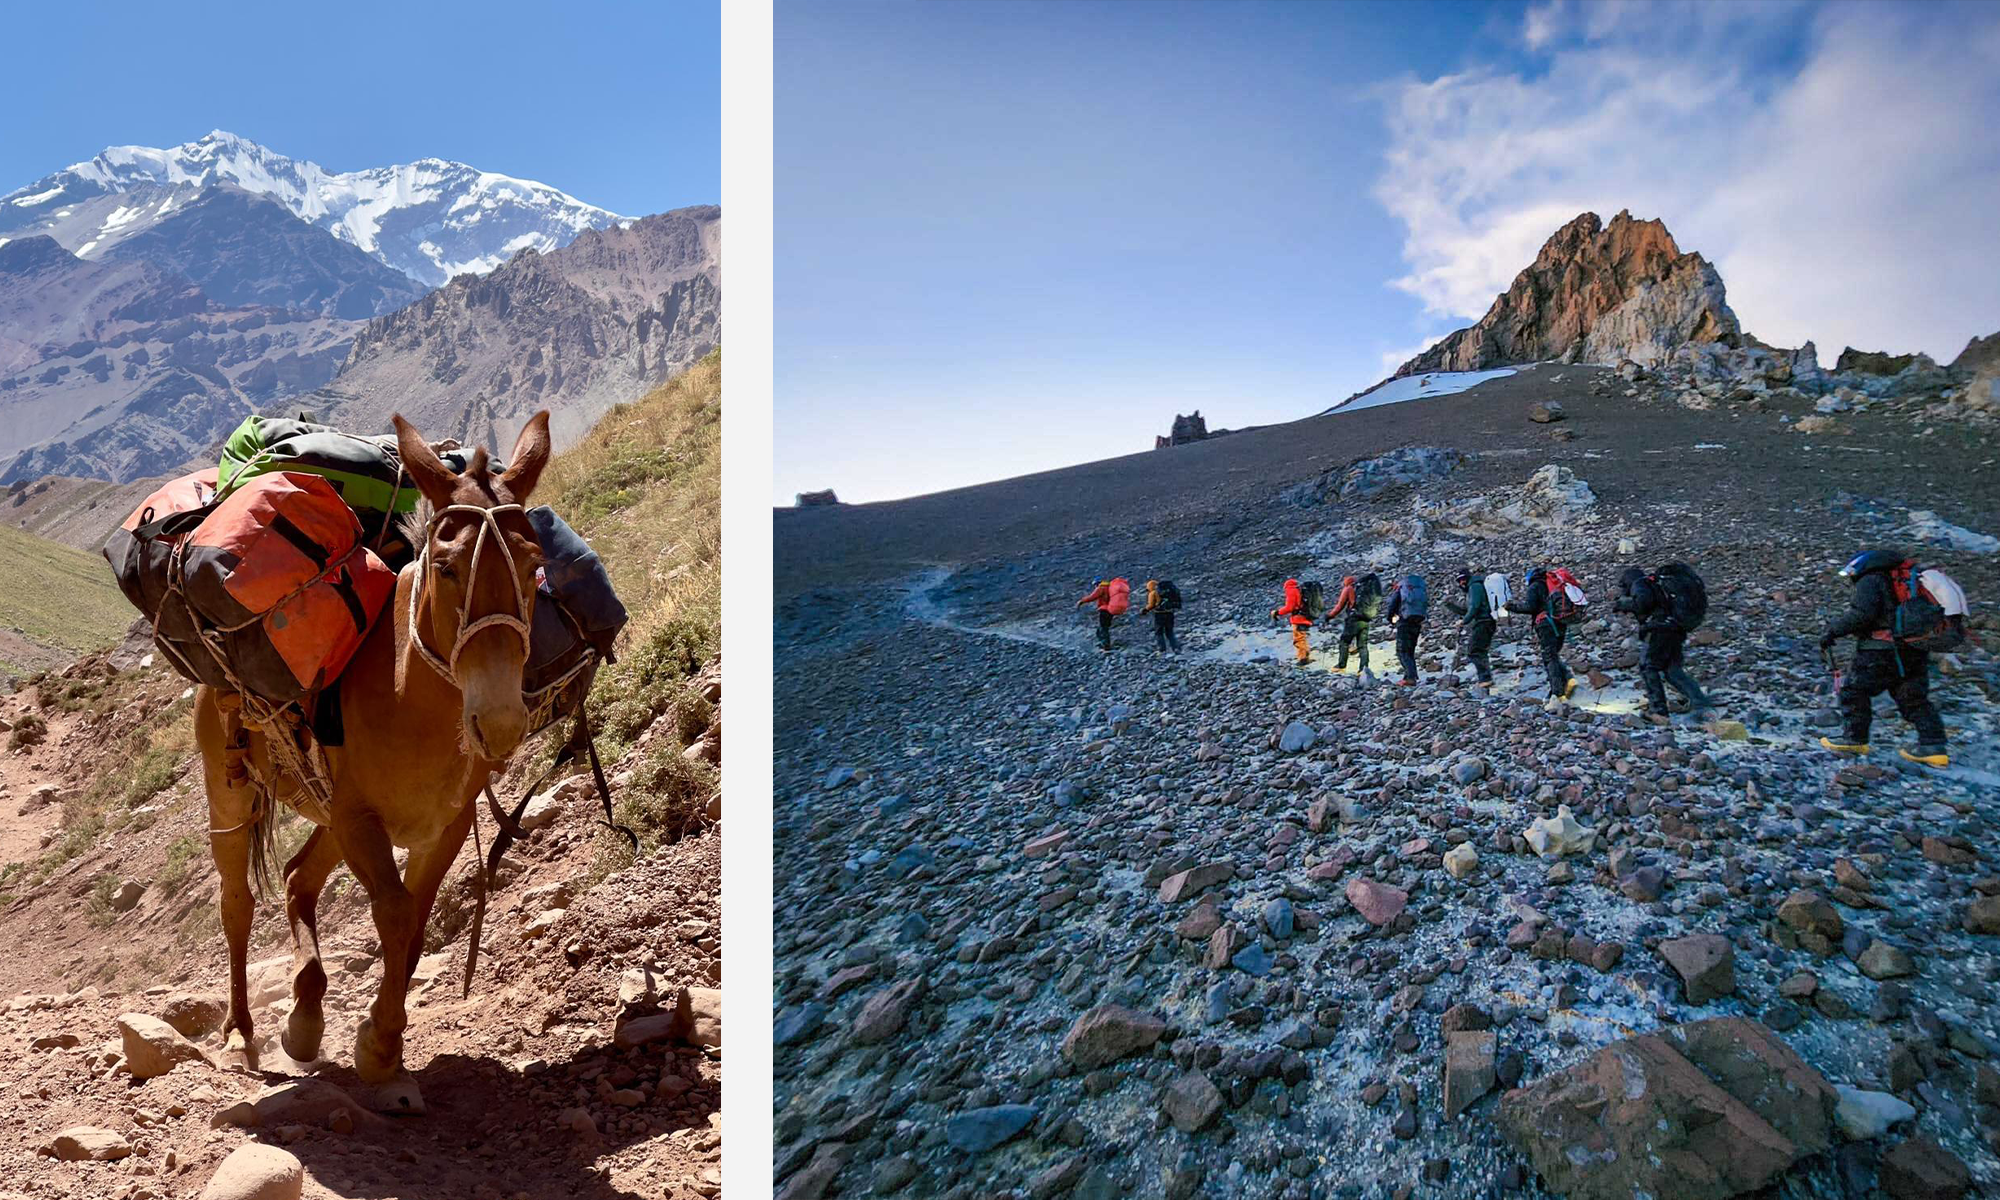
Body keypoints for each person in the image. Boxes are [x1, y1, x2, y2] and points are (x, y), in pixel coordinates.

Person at [1818, 549, 1949, 767]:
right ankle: (1933, 747)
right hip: (1914, 648)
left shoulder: (1871, 580)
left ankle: (1854, 740)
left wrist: (1832, 632)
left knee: (1854, 690)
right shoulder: (1908, 581)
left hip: (1880, 649)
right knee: (1913, 697)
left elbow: (1862, 615)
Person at [1613, 566, 1712, 724]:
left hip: (1659, 631)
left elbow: (1643, 603)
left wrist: (1623, 604)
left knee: (1648, 667)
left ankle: (1658, 711)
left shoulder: (1640, 583)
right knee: (1672, 670)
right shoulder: (1657, 584)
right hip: (1676, 629)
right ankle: (1701, 704)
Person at [1507, 564, 1578, 700]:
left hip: (1546, 624)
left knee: (1549, 657)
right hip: (1560, 622)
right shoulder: (1553, 585)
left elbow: (1530, 607)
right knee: (1553, 655)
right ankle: (1568, 680)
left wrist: (1512, 607)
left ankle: (1557, 693)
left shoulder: (1534, 587)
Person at [1443, 568, 1496, 688]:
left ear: (1468, 578)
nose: (1461, 583)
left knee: (1474, 651)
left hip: (1483, 622)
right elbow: (1468, 610)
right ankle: (1486, 679)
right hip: (1486, 621)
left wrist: (1464, 621)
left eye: (1463, 579)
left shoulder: (1475, 586)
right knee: (1480, 650)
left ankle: (1485, 678)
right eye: (1459, 580)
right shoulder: (1474, 587)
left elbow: (1474, 607)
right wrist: (1451, 606)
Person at [1384, 573, 1428, 685]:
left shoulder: (1400, 589)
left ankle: (1410, 678)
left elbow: (1393, 605)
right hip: (1417, 622)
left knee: (1402, 651)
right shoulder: (1418, 589)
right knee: (1410, 651)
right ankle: (1410, 676)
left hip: (1404, 622)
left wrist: (1390, 618)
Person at [1076, 578, 1129, 652]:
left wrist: (1081, 601)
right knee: (1103, 627)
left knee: (1103, 628)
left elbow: (1092, 597)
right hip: (1110, 610)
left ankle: (1106, 646)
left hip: (1104, 610)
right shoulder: (1109, 587)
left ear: (1097, 583)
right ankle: (1104, 643)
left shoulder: (1101, 588)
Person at [1271, 577, 1313, 665]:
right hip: (1306, 616)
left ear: (1286, 586)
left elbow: (1289, 607)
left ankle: (1303, 659)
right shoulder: (1299, 589)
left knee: (1298, 638)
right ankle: (1305, 657)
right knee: (1302, 637)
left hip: (1298, 618)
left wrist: (1277, 612)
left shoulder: (1291, 591)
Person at [1142, 579, 1182, 654]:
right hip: (1170, 613)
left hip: (1159, 614)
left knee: (1159, 632)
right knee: (1169, 632)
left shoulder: (1153, 593)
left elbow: (1151, 605)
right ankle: (1176, 648)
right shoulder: (1167, 591)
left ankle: (1162, 649)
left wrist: (1144, 610)